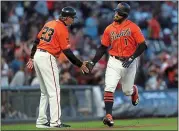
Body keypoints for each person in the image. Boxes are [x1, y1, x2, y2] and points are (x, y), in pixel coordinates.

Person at [26, 6, 89, 128]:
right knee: (54, 91)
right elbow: (67, 52)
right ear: (66, 18)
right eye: (72, 18)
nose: (73, 20)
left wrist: (32, 57)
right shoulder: (61, 28)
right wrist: (80, 64)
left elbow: (36, 41)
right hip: (47, 57)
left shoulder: (49, 23)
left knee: (45, 92)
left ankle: (41, 121)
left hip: (38, 55)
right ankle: (55, 122)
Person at [86, 2, 147, 127]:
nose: (115, 14)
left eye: (118, 12)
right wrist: (93, 62)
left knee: (126, 91)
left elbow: (143, 45)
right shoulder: (109, 28)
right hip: (113, 60)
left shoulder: (133, 27)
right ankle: (109, 115)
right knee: (109, 87)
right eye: (115, 11)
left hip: (129, 61)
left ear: (124, 14)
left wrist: (132, 58)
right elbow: (103, 47)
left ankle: (133, 91)